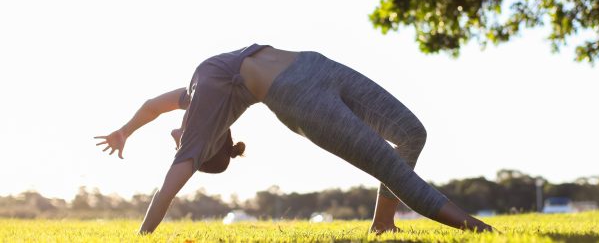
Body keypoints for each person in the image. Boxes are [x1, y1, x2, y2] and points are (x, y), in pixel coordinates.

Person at [94, 44, 493, 234]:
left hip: (315, 64)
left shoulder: (197, 97)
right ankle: (475, 228)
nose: (177, 142)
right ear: (209, 148)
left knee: (411, 134)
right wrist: (144, 235)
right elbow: (165, 193)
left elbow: (151, 105)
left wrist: (124, 131)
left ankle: (383, 224)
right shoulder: (200, 135)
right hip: (302, 101)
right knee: (386, 163)